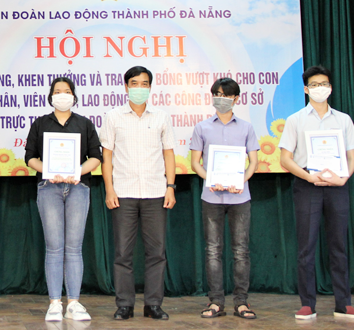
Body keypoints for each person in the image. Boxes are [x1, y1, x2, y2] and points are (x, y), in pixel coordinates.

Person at [279, 65, 354, 320]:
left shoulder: (343, 119)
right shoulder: (296, 119)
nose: (320, 88)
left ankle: (344, 303)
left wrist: (344, 178)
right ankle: (307, 304)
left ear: (331, 87)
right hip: (307, 184)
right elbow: (285, 158)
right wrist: (308, 176)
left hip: (338, 185)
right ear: (306, 89)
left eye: (324, 83)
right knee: (306, 246)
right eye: (315, 85)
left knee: (339, 244)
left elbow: (352, 157)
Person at [100, 66, 176, 321]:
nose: (140, 88)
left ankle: (153, 304)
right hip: (123, 193)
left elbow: (168, 153)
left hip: (156, 192)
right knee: (123, 253)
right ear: (126, 87)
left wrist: (170, 187)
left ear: (150, 88)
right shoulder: (113, 117)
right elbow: (106, 156)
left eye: (145, 84)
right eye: (135, 83)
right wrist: (109, 189)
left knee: (157, 253)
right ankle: (124, 305)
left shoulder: (162, 117)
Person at [25, 77, 102, 322]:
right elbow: (29, 158)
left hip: (78, 188)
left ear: (73, 95)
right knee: (54, 247)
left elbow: (96, 157)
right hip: (49, 188)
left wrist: (75, 171)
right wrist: (48, 169)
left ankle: (74, 303)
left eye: (66, 91)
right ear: (50, 95)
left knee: (74, 247)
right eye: (57, 91)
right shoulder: (39, 124)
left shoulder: (85, 124)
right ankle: (54, 303)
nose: (62, 95)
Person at [190, 78, 259, 320]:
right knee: (213, 251)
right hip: (211, 196)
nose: (221, 98)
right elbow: (195, 163)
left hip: (240, 197)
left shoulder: (247, 127)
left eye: (226, 94)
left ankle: (241, 302)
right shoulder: (202, 127)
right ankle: (216, 302)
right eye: (217, 94)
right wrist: (210, 179)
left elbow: (254, 162)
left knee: (241, 251)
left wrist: (242, 180)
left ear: (236, 99)